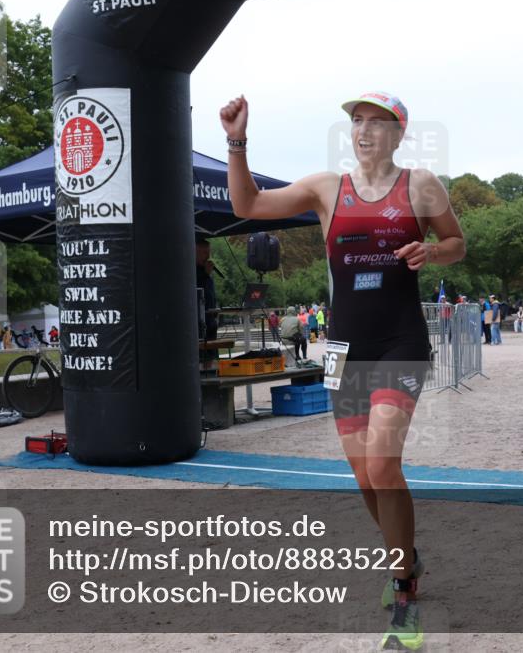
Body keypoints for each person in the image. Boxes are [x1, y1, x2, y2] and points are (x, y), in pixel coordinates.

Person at [222, 90, 466, 649]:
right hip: (343, 348)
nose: (364, 130)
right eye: (357, 120)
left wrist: (434, 253)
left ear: (399, 134)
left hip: (400, 341)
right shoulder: (325, 188)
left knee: (383, 462)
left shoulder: (420, 185)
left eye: (378, 122)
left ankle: (403, 590)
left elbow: (456, 241)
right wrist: (237, 141)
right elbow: (247, 206)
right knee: (363, 477)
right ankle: (407, 555)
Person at [196, 235, 219, 369]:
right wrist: (205, 274)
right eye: (204, 253)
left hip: (210, 318)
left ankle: (208, 374)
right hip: (199, 320)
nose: (207, 256)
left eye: (209, 253)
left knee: (210, 353)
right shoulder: (191, 271)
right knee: (200, 353)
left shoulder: (205, 272)